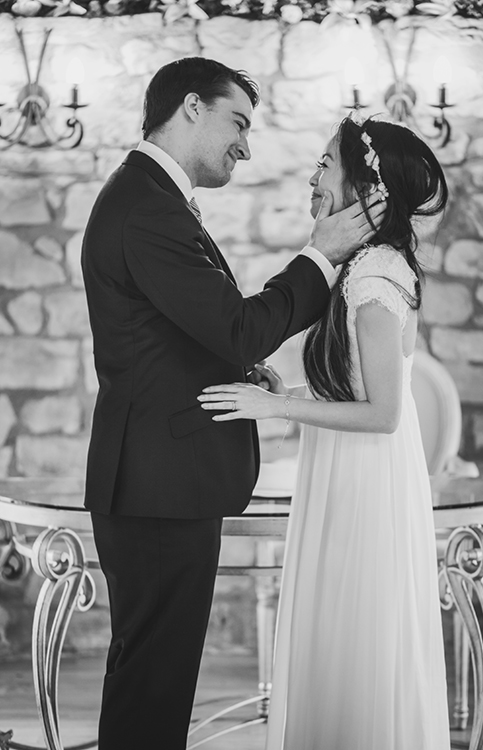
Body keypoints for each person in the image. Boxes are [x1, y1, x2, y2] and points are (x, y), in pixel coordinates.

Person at [81, 58, 385, 750]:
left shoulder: (149, 199)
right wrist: (320, 254)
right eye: (239, 122)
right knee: (152, 685)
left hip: (161, 481)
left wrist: (244, 371)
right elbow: (238, 322)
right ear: (192, 106)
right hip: (159, 485)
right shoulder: (148, 208)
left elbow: (187, 335)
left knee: (154, 679)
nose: (246, 146)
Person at [199, 115, 451, 750]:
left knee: (351, 636)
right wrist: (289, 395)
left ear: (368, 189)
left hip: (365, 486)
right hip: (352, 474)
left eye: (325, 165)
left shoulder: (372, 280)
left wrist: (276, 411)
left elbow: (383, 414)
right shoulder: (370, 268)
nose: (313, 176)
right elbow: (357, 389)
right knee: (344, 637)